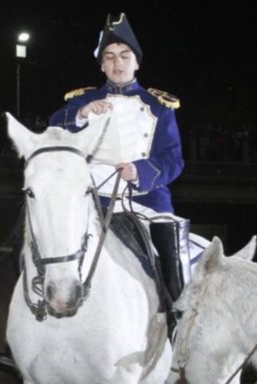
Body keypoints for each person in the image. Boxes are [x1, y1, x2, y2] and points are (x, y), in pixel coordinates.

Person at [49, 13, 201, 319]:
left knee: (172, 248)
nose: (117, 64)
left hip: (144, 201)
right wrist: (81, 114)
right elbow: (53, 131)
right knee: (40, 238)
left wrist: (140, 172)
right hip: (90, 202)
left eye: (124, 56)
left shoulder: (159, 106)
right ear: (102, 64)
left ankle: (177, 320)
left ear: (137, 62)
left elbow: (173, 160)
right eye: (110, 57)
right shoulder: (83, 100)